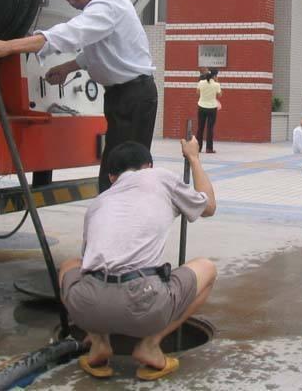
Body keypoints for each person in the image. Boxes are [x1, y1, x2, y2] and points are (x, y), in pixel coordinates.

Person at [0, 0, 158, 192]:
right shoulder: (98, 5)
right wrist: (67, 68)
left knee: (124, 178)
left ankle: (123, 215)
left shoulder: (107, 6)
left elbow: (70, 34)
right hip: (122, 96)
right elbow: (99, 51)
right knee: (117, 173)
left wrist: (7, 46)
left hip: (134, 97)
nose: (71, 1)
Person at [58, 139, 217, 381]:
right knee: (207, 268)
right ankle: (150, 345)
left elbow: (88, 265)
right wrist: (194, 157)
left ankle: (99, 343)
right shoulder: (159, 177)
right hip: (145, 303)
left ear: (112, 177)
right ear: (148, 166)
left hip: (87, 308)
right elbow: (209, 206)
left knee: (70, 265)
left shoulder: (98, 203)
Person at [196, 69, 221, 153]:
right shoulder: (216, 84)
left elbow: (197, 92)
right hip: (212, 108)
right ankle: (209, 148)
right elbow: (219, 95)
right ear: (214, 76)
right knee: (210, 129)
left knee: (200, 128)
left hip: (201, 107)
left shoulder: (201, 83)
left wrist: (204, 96)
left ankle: (198, 148)